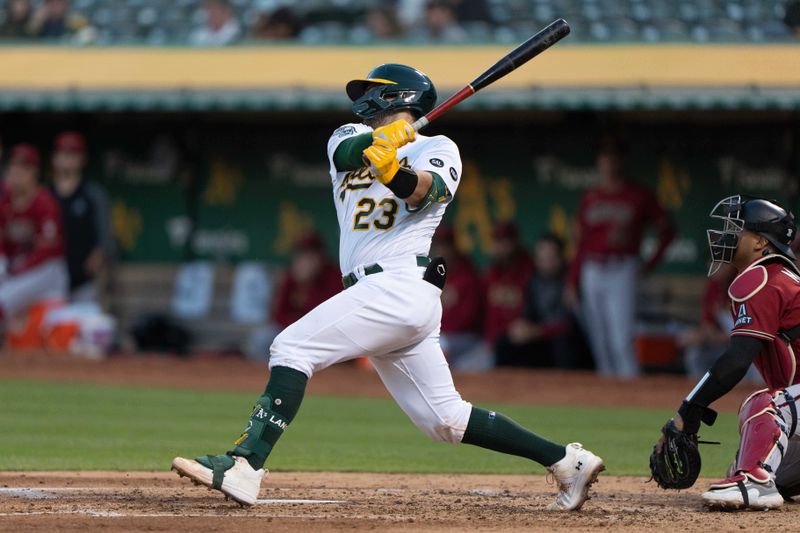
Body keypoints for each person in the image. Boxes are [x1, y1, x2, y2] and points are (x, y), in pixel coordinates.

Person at [172, 63, 604, 510]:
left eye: (375, 91)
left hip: (400, 283)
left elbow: (426, 192)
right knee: (445, 420)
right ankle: (565, 460)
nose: (365, 98)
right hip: (377, 294)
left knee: (292, 348)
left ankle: (245, 465)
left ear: (398, 97)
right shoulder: (345, 135)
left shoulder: (439, 146)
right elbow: (347, 154)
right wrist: (380, 144)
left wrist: (396, 171)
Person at [654, 195, 800, 510]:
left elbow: (736, 361)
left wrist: (688, 411)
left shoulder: (765, 278)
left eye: (737, 229)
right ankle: (756, 477)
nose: (726, 235)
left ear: (761, 242)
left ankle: (756, 482)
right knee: (751, 470)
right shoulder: (775, 277)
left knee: (766, 404)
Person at [565, 137, 675, 378]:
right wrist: (572, 281)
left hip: (621, 266)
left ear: (623, 161)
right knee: (599, 337)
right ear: (599, 162)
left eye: (614, 156)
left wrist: (649, 264)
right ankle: (608, 393)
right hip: (591, 267)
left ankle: (630, 388)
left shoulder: (638, 193)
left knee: (621, 337)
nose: (609, 162)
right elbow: (580, 242)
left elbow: (667, 230)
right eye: (605, 157)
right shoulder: (591, 196)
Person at [0, 144, 67, 322]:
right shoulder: (5, 204)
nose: (17, 172)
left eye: (24, 167)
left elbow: (48, 251)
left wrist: (15, 269)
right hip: (16, 270)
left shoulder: (44, 202)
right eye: (14, 165)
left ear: (34, 172)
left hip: (46, 271)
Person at [498, 234, 583, 369]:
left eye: (552, 258)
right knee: (505, 343)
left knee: (563, 344)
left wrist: (537, 331)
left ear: (562, 257)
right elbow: (528, 314)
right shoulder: (534, 281)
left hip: (568, 343)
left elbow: (569, 324)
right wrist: (522, 327)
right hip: (542, 338)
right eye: (542, 259)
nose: (547, 263)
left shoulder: (570, 281)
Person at [48, 131, 114, 304]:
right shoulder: (44, 195)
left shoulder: (93, 194)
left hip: (83, 281)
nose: (67, 159)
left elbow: (105, 236)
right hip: (48, 281)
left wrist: (99, 254)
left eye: (73, 154)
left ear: (82, 159)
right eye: (63, 153)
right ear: (54, 158)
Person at [432, 225, 489, 371]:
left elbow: (469, 319)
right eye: (439, 245)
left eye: (446, 246)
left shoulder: (468, 276)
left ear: (454, 248)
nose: (442, 250)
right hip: (441, 338)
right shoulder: (431, 274)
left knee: (438, 344)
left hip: (466, 339)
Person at [483, 221, 534, 356]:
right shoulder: (491, 272)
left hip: (521, 342)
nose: (500, 247)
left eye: (505, 241)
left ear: (515, 242)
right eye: (497, 241)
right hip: (491, 343)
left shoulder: (530, 270)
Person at [27, 0, 93, 42]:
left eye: (59, 3)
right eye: (52, 4)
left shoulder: (74, 21)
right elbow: (26, 39)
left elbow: (90, 33)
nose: (56, 7)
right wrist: (37, 22)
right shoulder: (40, 20)